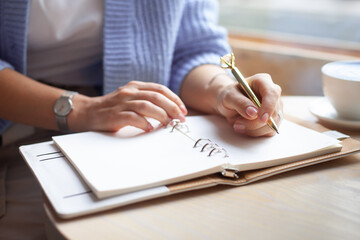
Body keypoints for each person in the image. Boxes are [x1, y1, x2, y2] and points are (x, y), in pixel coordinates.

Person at [0, 0, 282, 239]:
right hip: (16, 119)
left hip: (130, 129)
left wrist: (221, 91)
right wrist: (83, 110)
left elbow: (192, 49)